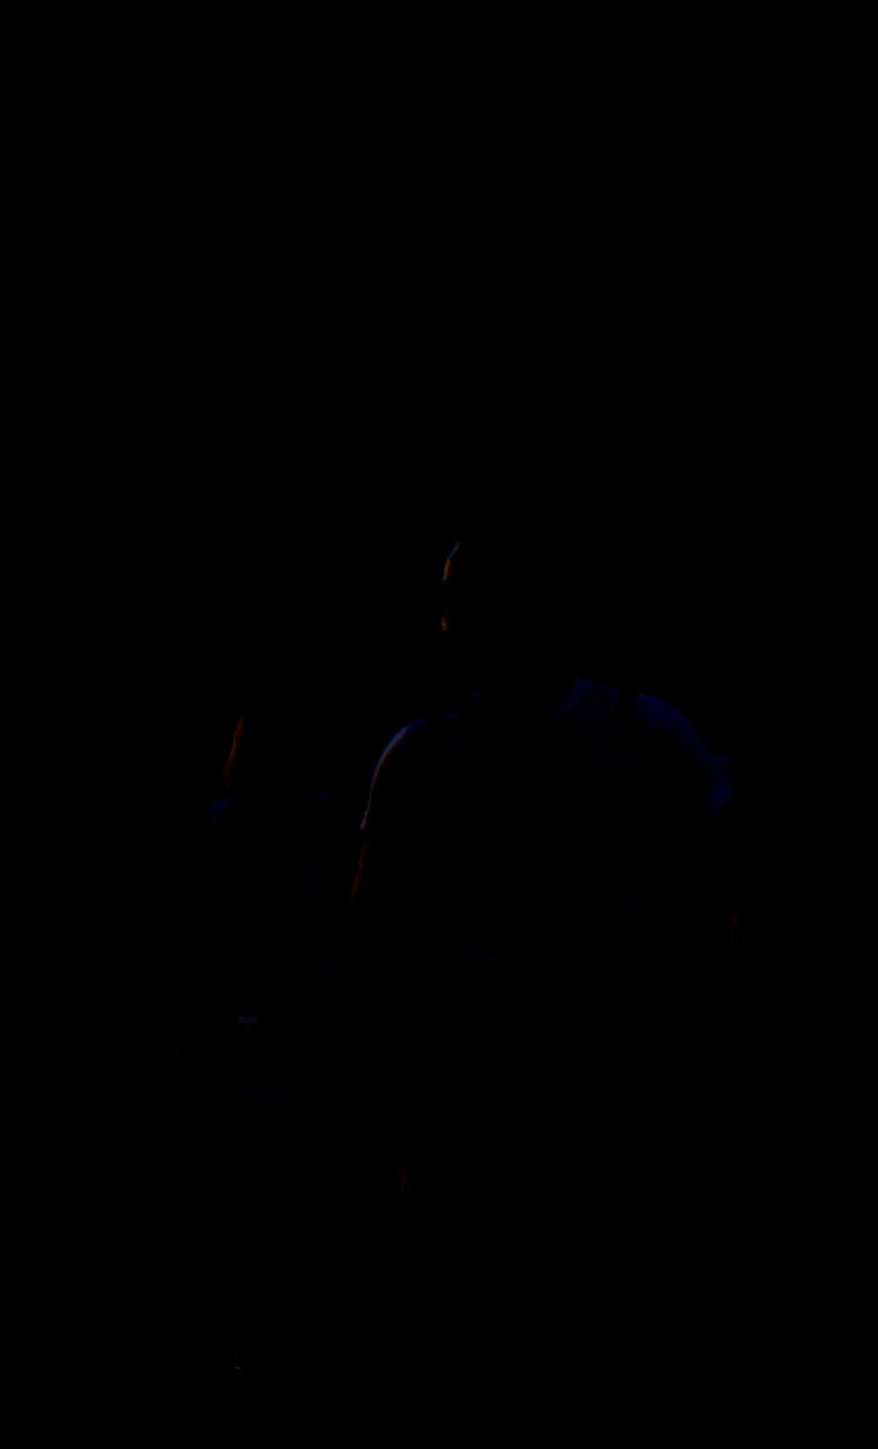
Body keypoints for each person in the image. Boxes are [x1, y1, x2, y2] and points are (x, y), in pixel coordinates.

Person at [348, 526, 732, 1256]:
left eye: (477, 599)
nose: (460, 620)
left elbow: (718, 901)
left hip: (607, 1093)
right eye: (453, 602)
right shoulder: (423, 754)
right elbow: (372, 933)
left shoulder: (643, 731)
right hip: (476, 1096)